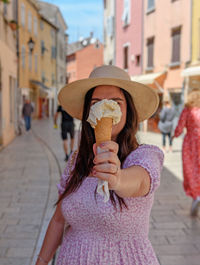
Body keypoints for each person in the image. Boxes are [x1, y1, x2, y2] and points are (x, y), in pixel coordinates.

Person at [35, 65, 164, 265]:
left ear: (128, 110)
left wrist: (118, 178)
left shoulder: (145, 156)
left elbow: (140, 182)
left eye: (115, 102)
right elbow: (59, 220)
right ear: (88, 113)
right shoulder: (77, 162)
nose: (104, 108)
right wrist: (41, 261)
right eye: (96, 103)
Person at [173, 89, 200, 216]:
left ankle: (196, 195)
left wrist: (175, 134)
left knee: (190, 170)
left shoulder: (187, 110)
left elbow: (180, 127)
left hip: (190, 143)